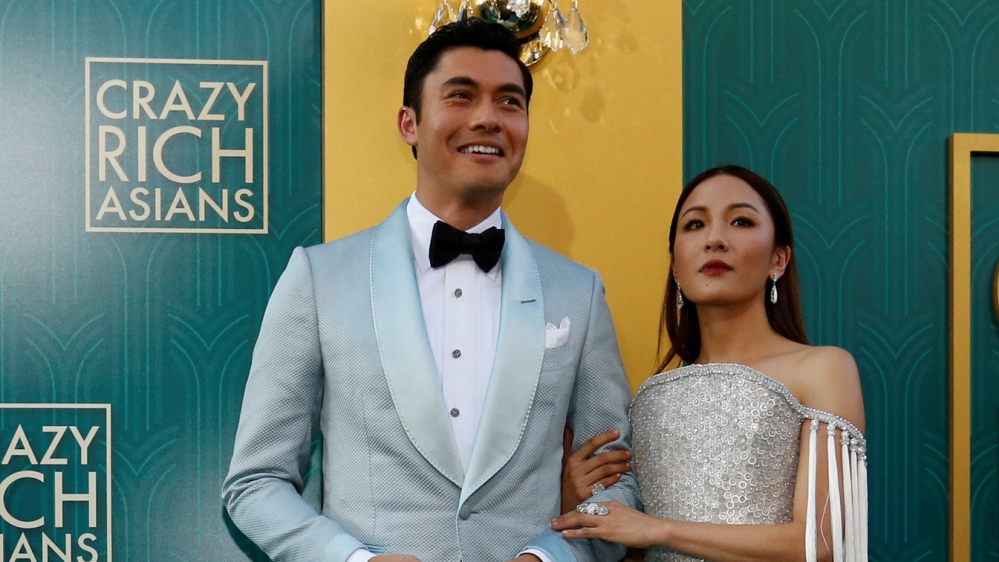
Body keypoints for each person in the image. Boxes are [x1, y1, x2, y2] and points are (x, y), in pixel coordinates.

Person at [222, 18, 639, 562]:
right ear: (409, 124)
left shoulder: (578, 292)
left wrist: (549, 558)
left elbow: (616, 484)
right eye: (461, 95)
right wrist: (353, 561)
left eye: (509, 102)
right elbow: (255, 482)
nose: (488, 118)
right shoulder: (319, 279)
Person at [553, 166, 868, 562]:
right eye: (695, 224)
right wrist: (575, 503)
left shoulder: (824, 369)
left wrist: (657, 529)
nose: (715, 239)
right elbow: (624, 544)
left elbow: (821, 541)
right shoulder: (648, 402)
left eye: (741, 221)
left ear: (779, 259)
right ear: (675, 265)